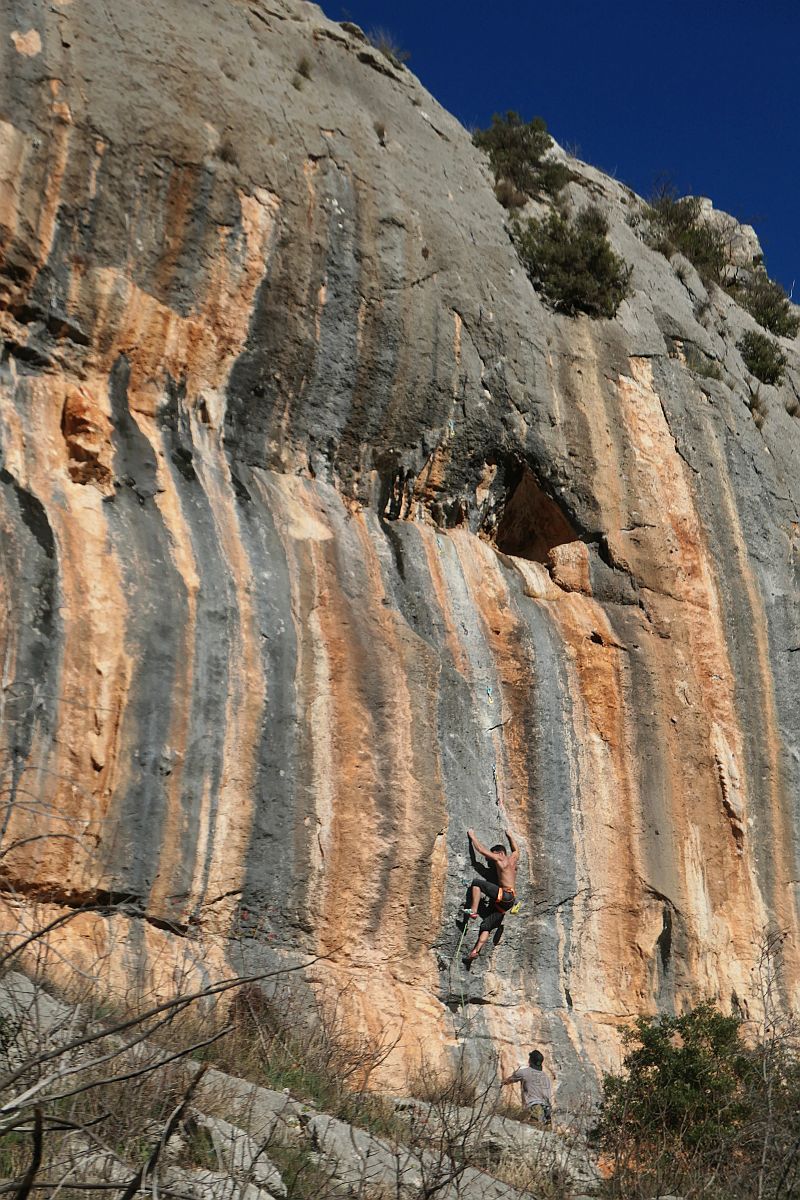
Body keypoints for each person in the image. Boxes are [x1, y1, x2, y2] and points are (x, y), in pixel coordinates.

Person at [463, 827, 519, 961]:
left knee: (476, 883)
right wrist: (510, 835)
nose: (491, 861)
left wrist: (472, 836)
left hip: (504, 895)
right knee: (486, 925)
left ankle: (474, 911)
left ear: (500, 853)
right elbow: (516, 850)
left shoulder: (500, 859)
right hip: (508, 902)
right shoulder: (513, 860)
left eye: (494, 856)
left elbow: (482, 851)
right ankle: (475, 951)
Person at [502, 1049, 553, 1125]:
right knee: (544, 1134)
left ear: (530, 1060)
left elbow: (508, 1081)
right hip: (547, 1110)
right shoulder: (546, 1076)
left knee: (532, 1129)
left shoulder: (524, 1072)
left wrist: (501, 1083)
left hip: (535, 1107)